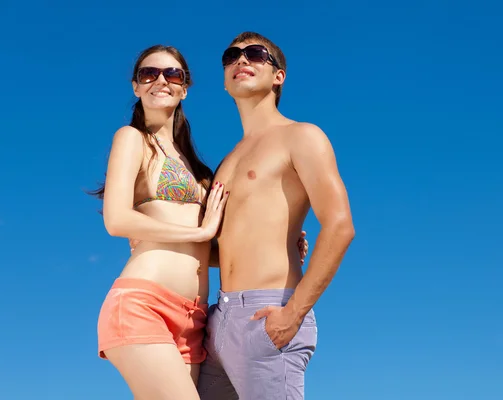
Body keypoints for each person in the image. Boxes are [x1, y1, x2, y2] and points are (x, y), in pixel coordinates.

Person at [90, 44, 309, 400]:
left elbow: (199, 251)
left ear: (184, 88)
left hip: (194, 321)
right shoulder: (132, 139)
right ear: (136, 86)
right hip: (143, 304)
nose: (161, 80)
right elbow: (117, 220)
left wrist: (277, 244)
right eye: (149, 74)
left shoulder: (194, 165)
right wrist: (201, 230)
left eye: (172, 74)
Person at [196, 32, 355, 400]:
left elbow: (340, 226)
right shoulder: (228, 161)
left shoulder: (301, 136)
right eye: (231, 55)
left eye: (255, 54)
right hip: (218, 320)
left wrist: (294, 313)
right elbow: (227, 248)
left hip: (268, 313)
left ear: (278, 76)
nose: (241, 60)